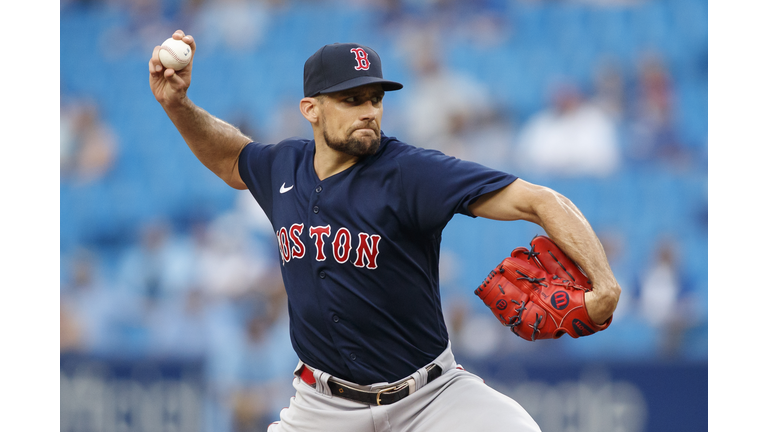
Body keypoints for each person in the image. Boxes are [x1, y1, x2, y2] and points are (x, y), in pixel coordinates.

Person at [149, 30, 621, 432]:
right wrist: (177, 104)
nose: (369, 111)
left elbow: (540, 200)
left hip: (431, 399)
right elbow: (230, 156)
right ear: (311, 109)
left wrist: (605, 284)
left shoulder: (411, 173)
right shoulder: (283, 167)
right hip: (323, 408)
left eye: (375, 98)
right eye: (351, 99)